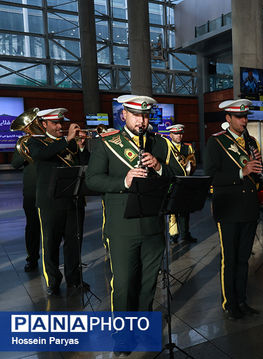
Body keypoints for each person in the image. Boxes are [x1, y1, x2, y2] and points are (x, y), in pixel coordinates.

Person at [86, 95, 176, 318]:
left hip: (153, 225)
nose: (141, 121)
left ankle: (143, 326)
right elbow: (92, 179)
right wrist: (123, 182)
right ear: (123, 114)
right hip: (122, 227)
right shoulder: (106, 143)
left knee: (148, 285)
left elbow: (176, 176)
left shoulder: (159, 143)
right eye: (136, 115)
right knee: (124, 285)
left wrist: (158, 166)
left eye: (145, 116)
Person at [204, 98, 261, 320]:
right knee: (230, 258)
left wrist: (256, 171)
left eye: (246, 116)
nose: (244, 120)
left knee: (243, 258)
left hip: (249, 208)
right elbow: (211, 176)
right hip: (228, 208)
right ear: (228, 118)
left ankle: (242, 299)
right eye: (239, 117)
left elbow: (255, 173)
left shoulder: (251, 141)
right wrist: (241, 172)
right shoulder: (216, 142)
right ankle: (230, 302)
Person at [28, 108, 89, 295]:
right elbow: (43, 155)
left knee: (74, 242)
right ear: (44, 124)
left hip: (73, 200)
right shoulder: (35, 141)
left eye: (60, 123)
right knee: (51, 243)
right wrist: (67, 140)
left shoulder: (69, 142)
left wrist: (81, 146)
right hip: (50, 202)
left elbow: (85, 163)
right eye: (54, 123)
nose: (59, 126)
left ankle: (74, 279)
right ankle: (53, 282)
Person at [11, 131, 40, 272]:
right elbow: (15, 164)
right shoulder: (24, 143)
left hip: (48, 189)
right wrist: (25, 153)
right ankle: (32, 258)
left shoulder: (49, 141)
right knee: (32, 227)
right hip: (31, 192)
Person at [166, 124, 197, 244]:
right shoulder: (167, 147)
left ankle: (185, 234)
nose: (179, 136)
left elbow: (193, 164)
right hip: (172, 182)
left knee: (185, 211)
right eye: (176, 134)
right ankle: (173, 235)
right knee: (172, 211)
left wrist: (189, 166)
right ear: (171, 135)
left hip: (184, 182)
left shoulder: (188, 147)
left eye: (180, 134)